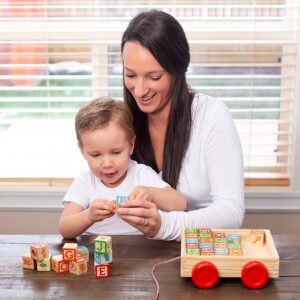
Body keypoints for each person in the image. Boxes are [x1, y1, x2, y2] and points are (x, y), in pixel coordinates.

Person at [116, 10, 245, 241]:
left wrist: (164, 225)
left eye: (154, 77)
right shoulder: (123, 120)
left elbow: (231, 211)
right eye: (130, 75)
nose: (140, 89)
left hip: (200, 254)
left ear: (178, 70)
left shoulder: (212, 116)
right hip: (139, 257)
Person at [59, 98, 186, 239]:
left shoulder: (141, 174)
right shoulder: (86, 181)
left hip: (140, 252)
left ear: (131, 145)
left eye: (116, 152)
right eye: (96, 155)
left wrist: (153, 193)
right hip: (95, 254)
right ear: (82, 150)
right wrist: (89, 216)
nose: (107, 163)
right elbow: (65, 228)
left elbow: (180, 204)